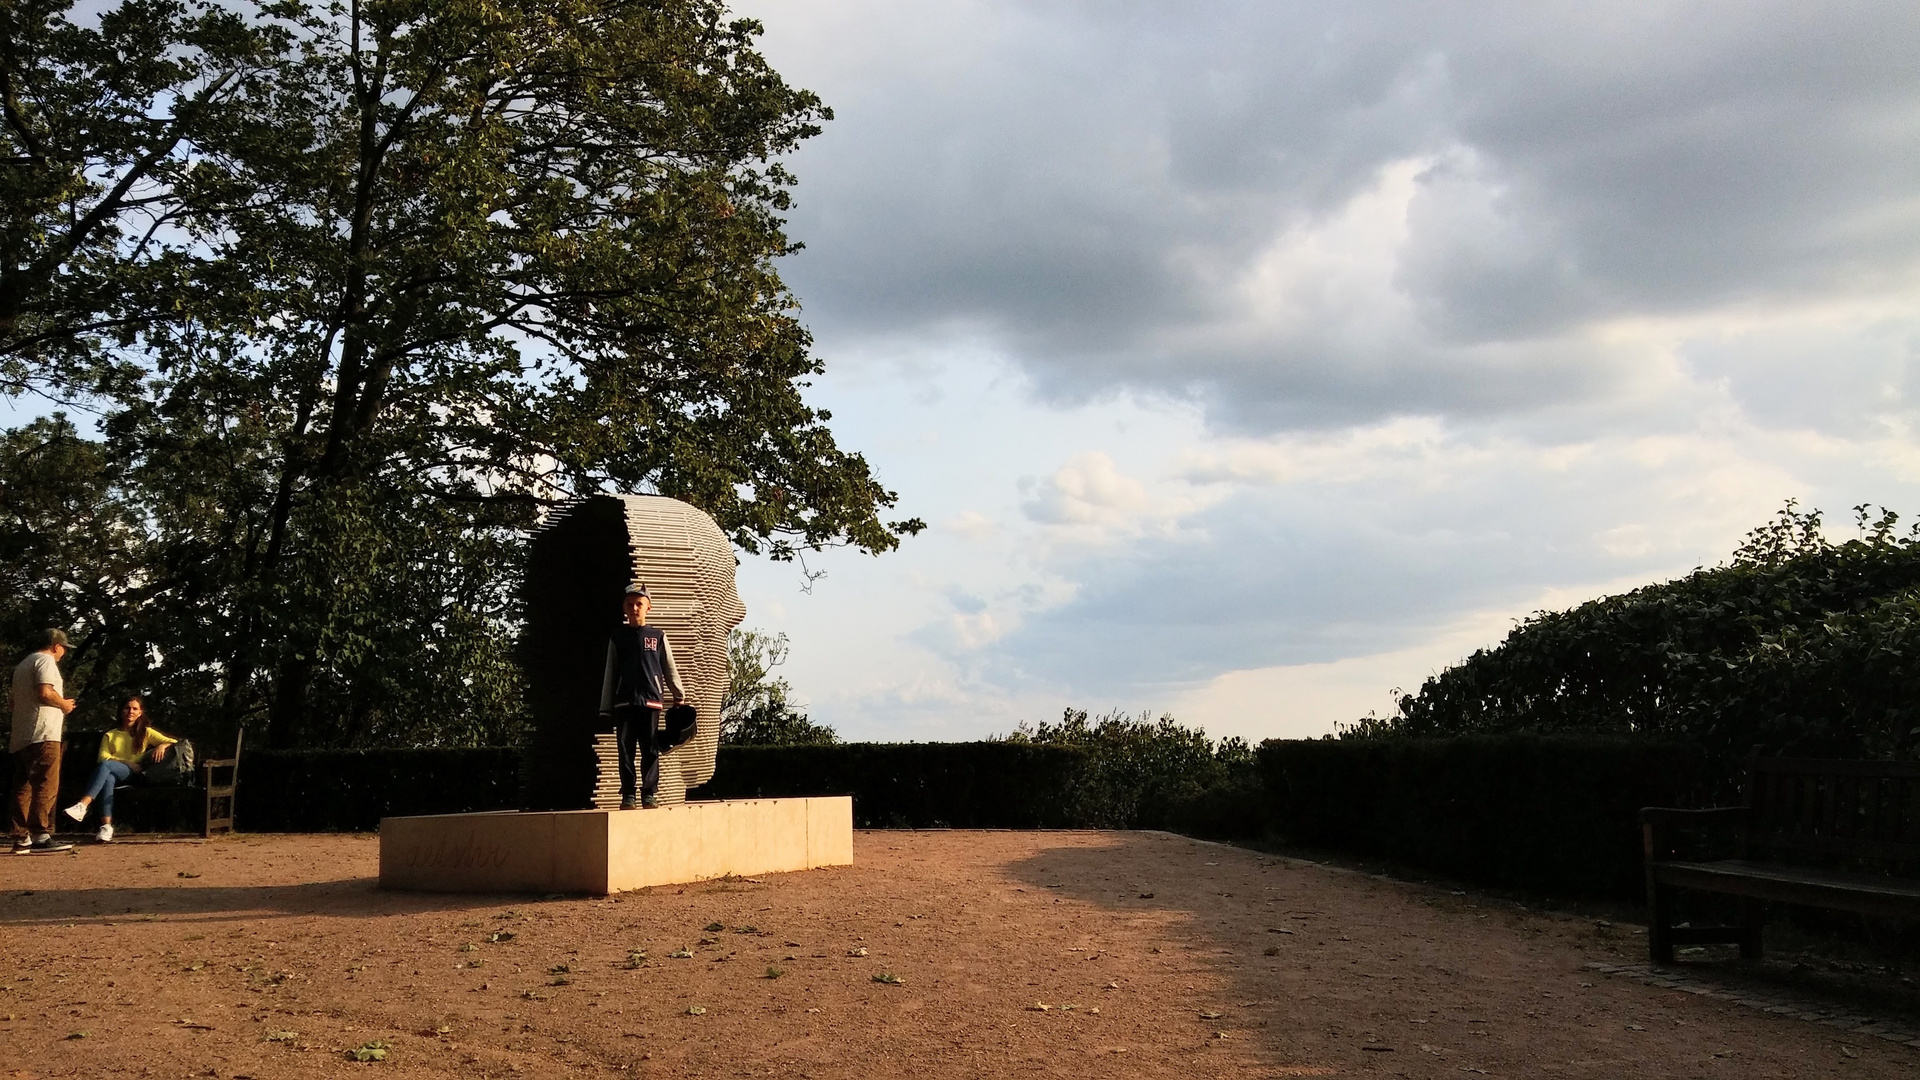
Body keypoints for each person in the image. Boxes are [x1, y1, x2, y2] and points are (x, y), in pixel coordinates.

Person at [598, 583, 686, 809]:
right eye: (630, 604)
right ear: (624, 608)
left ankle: (649, 793)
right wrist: (605, 707)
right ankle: (628, 794)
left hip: (651, 702)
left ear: (649, 607)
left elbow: (669, 666)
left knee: (650, 749)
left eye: (639, 604)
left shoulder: (657, 636)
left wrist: (679, 694)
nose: (634, 608)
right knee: (625, 750)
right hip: (624, 703)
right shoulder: (617, 638)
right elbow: (610, 672)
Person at [62, 695, 176, 842]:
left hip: (136, 774)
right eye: (127, 708)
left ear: (140, 713)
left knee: (106, 766)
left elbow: (174, 742)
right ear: (121, 711)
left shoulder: (145, 732)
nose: (131, 711)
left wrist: (162, 745)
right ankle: (106, 827)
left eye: (135, 709)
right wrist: (127, 762)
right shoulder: (110, 735)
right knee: (108, 777)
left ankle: (83, 805)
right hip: (118, 772)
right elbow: (102, 757)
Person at [11, 629, 77, 854]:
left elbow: (12, 702)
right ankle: (41, 834)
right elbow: (45, 692)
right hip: (44, 733)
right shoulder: (46, 661)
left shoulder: (22, 666)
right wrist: (64, 704)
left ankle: (21, 837)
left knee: (23, 786)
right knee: (46, 782)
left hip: (21, 734)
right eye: (64, 649)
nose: (64, 653)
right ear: (56, 646)